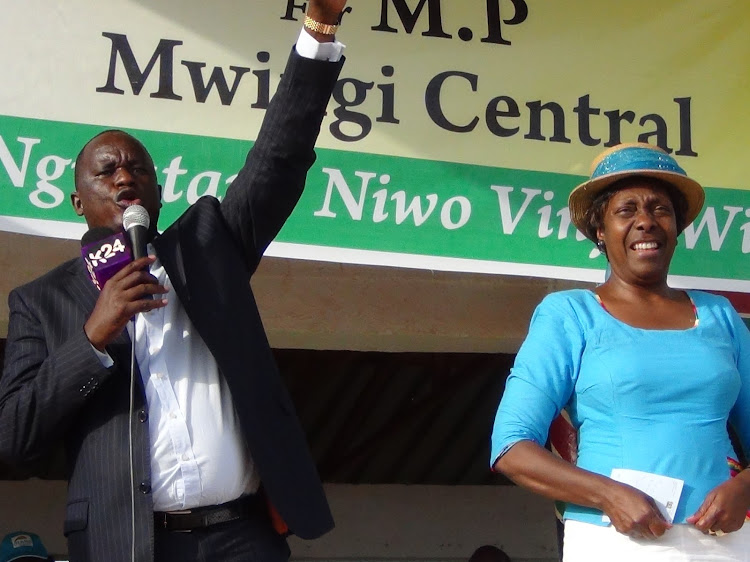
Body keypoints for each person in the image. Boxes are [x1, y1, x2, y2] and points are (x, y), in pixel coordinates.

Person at [0, 2, 347, 561]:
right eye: (107, 170)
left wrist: (319, 29)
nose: (124, 177)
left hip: (244, 535)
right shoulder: (42, 302)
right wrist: (92, 339)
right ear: (77, 201)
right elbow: (14, 436)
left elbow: (278, 160)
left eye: (138, 168)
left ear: (156, 192)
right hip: (135, 545)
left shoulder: (208, 247)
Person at [491, 143, 750, 561]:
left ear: (677, 227)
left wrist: (743, 488)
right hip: (616, 540)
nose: (645, 222)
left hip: (727, 541)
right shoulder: (570, 314)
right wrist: (608, 495)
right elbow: (512, 448)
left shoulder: (719, 314)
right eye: (626, 211)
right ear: (600, 231)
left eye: (660, 209)